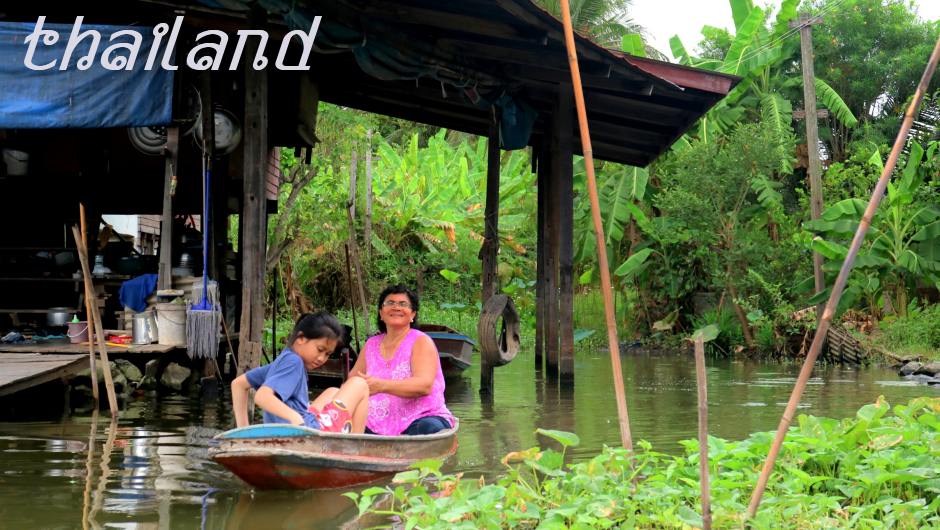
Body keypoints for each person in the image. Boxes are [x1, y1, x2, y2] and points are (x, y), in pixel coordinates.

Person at [231, 311, 369, 433]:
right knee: (360, 384)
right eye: (320, 349)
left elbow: (238, 384)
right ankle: (355, 445)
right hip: (307, 431)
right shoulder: (293, 362)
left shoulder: (281, 361)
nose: (322, 358)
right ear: (301, 338)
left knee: (332, 391)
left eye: (327, 354)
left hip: (292, 429)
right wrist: (295, 418)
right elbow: (262, 397)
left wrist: (243, 431)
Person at [349, 284, 456, 435]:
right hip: (374, 422)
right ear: (381, 313)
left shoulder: (420, 341)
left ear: (412, 314)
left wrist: (381, 386)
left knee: (428, 429)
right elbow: (353, 381)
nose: (396, 307)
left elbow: (423, 385)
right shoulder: (371, 344)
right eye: (390, 303)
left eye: (403, 304)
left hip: (420, 417)